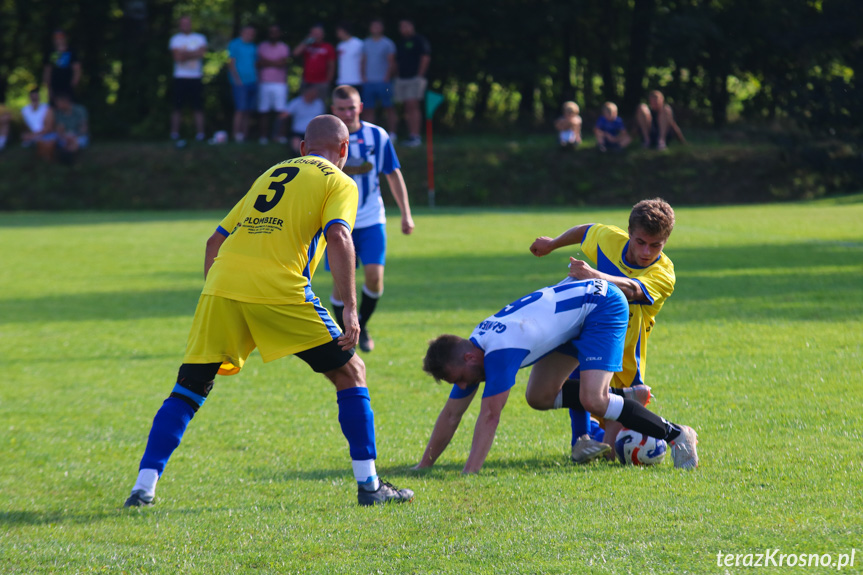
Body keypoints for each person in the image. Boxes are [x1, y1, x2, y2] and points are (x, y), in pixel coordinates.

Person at [123, 114, 414, 508]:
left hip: (221, 285)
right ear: (344, 149)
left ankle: (143, 488)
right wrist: (349, 309)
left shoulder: (271, 173)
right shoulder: (338, 180)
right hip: (279, 286)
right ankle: (370, 486)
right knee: (351, 372)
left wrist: (219, 291)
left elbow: (215, 241)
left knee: (190, 386)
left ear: (302, 148)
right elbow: (340, 236)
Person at [414, 277, 698, 473]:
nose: (463, 385)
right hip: (575, 316)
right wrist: (424, 465)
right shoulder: (476, 348)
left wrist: (470, 473)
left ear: (469, 357)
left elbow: (490, 414)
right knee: (538, 396)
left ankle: (676, 434)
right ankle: (623, 398)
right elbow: (452, 414)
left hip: (602, 308)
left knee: (594, 401)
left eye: (460, 378)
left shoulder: (497, 352)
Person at [529, 198, 677, 462]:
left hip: (625, 350)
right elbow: (586, 231)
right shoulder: (610, 239)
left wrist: (594, 275)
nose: (646, 252)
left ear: (665, 241)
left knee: (615, 430)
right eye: (640, 242)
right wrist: (552, 244)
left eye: (656, 246)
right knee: (575, 378)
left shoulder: (663, 273)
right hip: (588, 332)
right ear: (629, 232)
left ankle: (663, 430)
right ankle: (581, 440)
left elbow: (632, 289)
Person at [327, 85, 415, 353]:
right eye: (341, 109)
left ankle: (360, 327)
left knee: (375, 279)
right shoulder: (326, 138)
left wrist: (405, 213)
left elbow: (393, 173)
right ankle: (346, 331)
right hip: (337, 221)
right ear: (333, 110)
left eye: (351, 107)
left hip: (371, 218)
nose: (347, 113)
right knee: (341, 286)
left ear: (360, 107)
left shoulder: (378, 135)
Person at [169, 16, 207, 143]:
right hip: (180, 77)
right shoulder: (175, 39)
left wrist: (184, 54)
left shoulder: (200, 38)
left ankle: (200, 135)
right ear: (180, 25)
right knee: (177, 107)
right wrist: (194, 53)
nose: (185, 25)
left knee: (198, 107)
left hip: (196, 77)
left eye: (187, 23)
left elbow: (202, 54)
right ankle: (174, 134)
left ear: (191, 24)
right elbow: (177, 58)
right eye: (183, 23)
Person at [393, 18, 430, 147]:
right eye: (401, 27)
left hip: (414, 79)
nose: (404, 29)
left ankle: (416, 136)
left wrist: (419, 75)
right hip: (401, 79)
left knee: (413, 105)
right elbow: (396, 61)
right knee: (406, 107)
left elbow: (425, 57)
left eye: (406, 26)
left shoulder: (419, 40)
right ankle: (411, 136)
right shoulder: (400, 43)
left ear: (412, 26)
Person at [361, 18, 397, 136]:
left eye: (378, 26)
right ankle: (369, 134)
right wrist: (363, 76)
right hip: (368, 81)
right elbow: (363, 60)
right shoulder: (365, 43)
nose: (375, 28)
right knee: (368, 109)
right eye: (373, 26)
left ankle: (392, 134)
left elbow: (391, 62)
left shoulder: (388, 43)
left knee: (389, 107)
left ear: (382, 28)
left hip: (384, 81)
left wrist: (387, 77)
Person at [257, 24, 290, 144]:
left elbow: (283, 63)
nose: (273, 34)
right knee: (263, 111)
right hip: (264, 83)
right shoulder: (262, 46)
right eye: (271, 32)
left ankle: (280, 136)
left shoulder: (284, 47)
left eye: (276, 32)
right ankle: (263, 137)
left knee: (281, 111)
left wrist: (268, 62)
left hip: (280, 84)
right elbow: (260, 62)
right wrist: (276, 62)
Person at [227, 25, 258, 143]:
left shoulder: (253, 47)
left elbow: (255, 64)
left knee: (248, 110)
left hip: (252, 81)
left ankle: (244, 136)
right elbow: (231, 63)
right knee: (240, 109)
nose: (251, 35)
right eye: (249, 33)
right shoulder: (234, 44)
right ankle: (236, 135)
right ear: (242, 32)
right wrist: (237, 80)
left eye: (252, 33)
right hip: (240, 83)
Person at [44, 92, 88, 163]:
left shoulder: (80, 110)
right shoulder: (59, 113)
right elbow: (59, 130)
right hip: (65, 137)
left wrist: (74, 136)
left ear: (65, 102)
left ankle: (68, 157)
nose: (57, 105)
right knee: (50, 139)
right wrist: (64, 136)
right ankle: (66, 156)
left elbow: (84, 128)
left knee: (76, 142)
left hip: (79, 136)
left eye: (58, 103)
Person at [293, 24, 335, 100]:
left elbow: (331, 65)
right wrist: (306, 41)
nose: (316, 36)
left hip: (321, 82)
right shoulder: (307, 46)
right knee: (304, 104)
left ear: (323, 35)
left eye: (318, 34)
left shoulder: (328, 47)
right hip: (307, 81)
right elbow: (295, 53)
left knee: (320, 106)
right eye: (313, 33)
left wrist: (328, 81)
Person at [280, 85, 326, 154]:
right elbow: (283, 116)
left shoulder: (319, 103)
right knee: (297, 148)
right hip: (298, 133)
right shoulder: (296, 102)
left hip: (314, 133)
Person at [42, 30, 81, 104]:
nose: (58, 40)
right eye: (56, 38)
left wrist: (73, 85)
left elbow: (77, 70)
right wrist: (48, 87)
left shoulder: (71, 51)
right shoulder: (50, 52)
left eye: (60, 37)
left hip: (68, 86)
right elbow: (47, 70)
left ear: (65, 38)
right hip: (54, 87)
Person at [335, 22, 364, 91]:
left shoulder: (358, 44)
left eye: (339, 31)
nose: (337, 34)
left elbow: (364, 61)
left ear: (345, 31)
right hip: (342, 81)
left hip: (356, 81)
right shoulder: (340, 45)